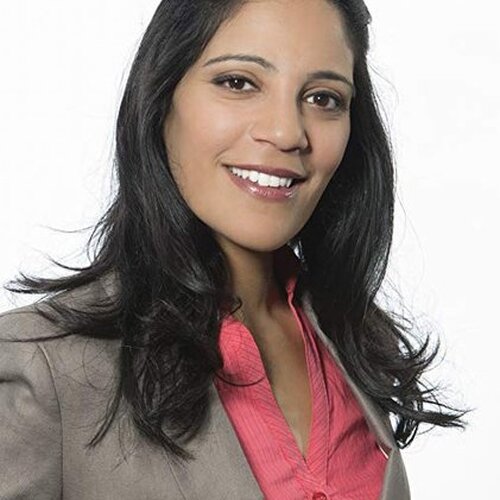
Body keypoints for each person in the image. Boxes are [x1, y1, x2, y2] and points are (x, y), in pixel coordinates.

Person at [0, 0, 468, 498]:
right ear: (160, 98)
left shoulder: (352, 348)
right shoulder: (47, 373)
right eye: (238, 83)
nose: (287, 133)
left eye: (323, 98)